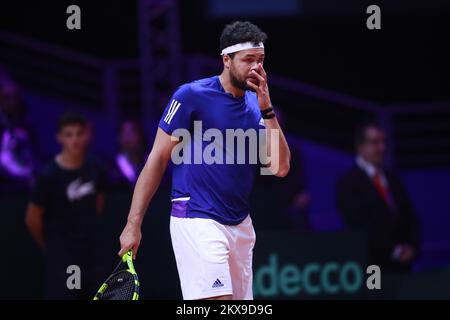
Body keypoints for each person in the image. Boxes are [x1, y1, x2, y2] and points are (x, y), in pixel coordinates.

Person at [118, 21, 291, 300]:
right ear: (226, 60)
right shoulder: (191, 96)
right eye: (248, 60)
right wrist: (132, 223)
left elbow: (280, 168)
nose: (256, 68)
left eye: (260, 61)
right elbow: (157, 159)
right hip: (197, 217)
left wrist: (268, 110)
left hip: (241, 225)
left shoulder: (256, 105)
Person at [25, 112, 106, 299]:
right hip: (64, 260)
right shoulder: (49, 175)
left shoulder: (95, 167)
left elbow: (99, 204)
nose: (75, 140)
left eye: (79, 134)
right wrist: (50, 246)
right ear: (59, 138)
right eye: (69, 135)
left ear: (87, 135)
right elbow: (32, 218)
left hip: (91, 255)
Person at [336, 122, 420, 273]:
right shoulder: (348, 183)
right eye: (375, 143)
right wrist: (392, 251)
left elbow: (409, 216)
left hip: (402, 267)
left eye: (383, 142)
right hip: (372, 267)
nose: (382, 148)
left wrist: (412, 247)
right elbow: (357, 226)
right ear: (360, 146)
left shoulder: (393, 178)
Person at [0, 71, 36, 190]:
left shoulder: (26, 128)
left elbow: (32, 155)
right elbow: (4, 158)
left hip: (22, 185)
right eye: (6, 98)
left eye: (14, 97)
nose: (11, 102)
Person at [107, 118, 148, 189]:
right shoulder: (111, 168)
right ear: (119, 138)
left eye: (132, 132)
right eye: (124, 133)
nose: (128, 137)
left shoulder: (151, 163)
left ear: (140, 135)